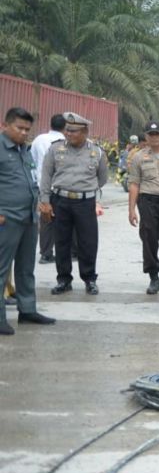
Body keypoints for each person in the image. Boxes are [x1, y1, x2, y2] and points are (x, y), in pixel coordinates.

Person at [39, 111, 109, 296]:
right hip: (60, 201)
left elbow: (102, 178)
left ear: (85, 132)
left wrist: (86, 189)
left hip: (85, 203)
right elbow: (46, 176)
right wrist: (45, 201)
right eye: (67, 130)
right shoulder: (55, 149)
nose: (68, 134)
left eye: (73, 131)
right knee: (62, 241)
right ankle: (63, 280)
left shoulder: (97, 151)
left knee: (88, 242)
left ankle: (89, 279)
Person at [0, 107, 56, 335]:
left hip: (29, 217)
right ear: (5, 126)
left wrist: (40, 204)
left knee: (25, 267)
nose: (24, 133)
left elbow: (32, 179)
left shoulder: (24, 150)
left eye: (27, 129)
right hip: (6, 218)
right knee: (2, 268)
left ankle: (27, 310)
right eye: (19, 128)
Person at [127, 121, 159, 301]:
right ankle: (153, 276)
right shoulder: (138, 157)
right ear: (146, 136)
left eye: (158, 134)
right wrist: (131, 209)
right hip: (148, 201)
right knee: (149, 239)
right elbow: (134, 183)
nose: (154, 137)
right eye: (151, 134)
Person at [30, 114, 65, 263]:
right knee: (67, 218)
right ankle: (71, 252)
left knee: (46, 219)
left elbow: (32, 161)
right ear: (65, 127)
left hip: (42, 185)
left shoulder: (39, 139)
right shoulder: (67, 141)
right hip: (62, 187)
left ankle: (46, 253)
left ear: (51, 124)